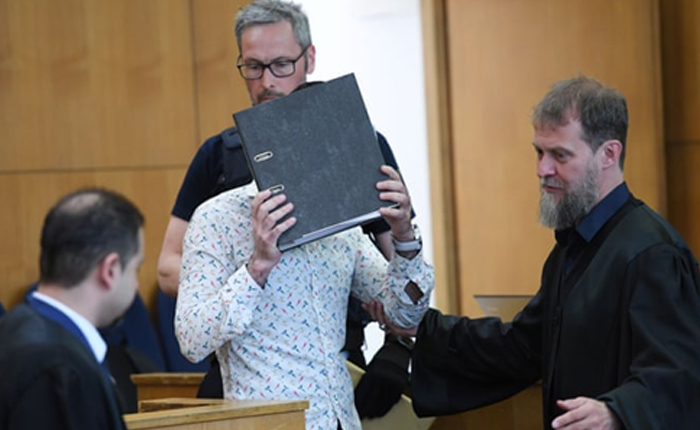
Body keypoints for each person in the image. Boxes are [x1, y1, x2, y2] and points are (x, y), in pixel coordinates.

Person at [367, 76, 700, 429]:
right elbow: (521, 348)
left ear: (609, 154)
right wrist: (424, 327)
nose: (542, 170)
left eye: (560, 155)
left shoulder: (654, 254)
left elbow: (680, 374)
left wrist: (617, 412)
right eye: (539, 153)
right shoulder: (572, 249)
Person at [157, 0, 415, 417]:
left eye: (280, 64)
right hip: (250, 373)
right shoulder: (219, 161)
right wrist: (252, 267)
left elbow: (396, 279)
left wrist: (397, 343)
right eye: (253, 67)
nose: (266, 82)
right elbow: (172, 272)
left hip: (341, 361)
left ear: (309, 59)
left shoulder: (360, 146)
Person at [0, 188, 145, 430]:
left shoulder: (12, 329)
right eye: (136, 269)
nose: (136, 284)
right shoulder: (59, 370)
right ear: (110, 270)